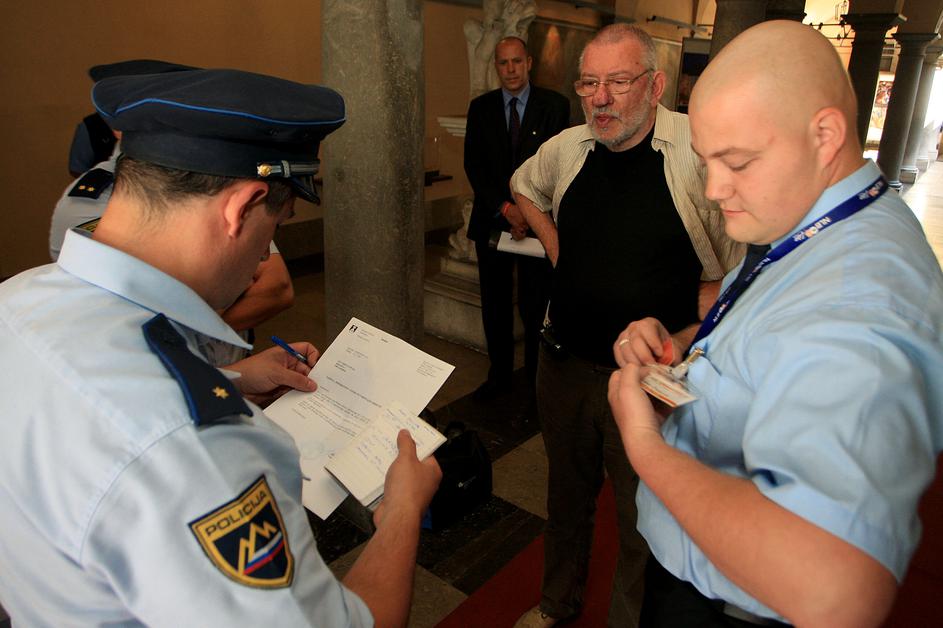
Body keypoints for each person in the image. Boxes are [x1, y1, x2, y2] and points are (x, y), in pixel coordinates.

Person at [0, 68, 441, 626]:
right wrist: (401, 511)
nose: (263, 259)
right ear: (241, 208)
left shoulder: (17, 301)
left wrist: (233, 379)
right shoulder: (205, 452)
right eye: (275, 227)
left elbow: (89, 401)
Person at [608, 20, 943, 627]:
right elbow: (773, 325)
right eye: (706, 161)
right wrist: (682, 346)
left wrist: (644, 444)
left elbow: (833, 589)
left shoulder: (861, 297)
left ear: (824, 135)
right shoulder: (814, 217)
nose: (715, 189)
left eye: (736, 162)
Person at [509, 24, 743, 628]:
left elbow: (746, 254)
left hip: (651, 381)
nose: (600, 99)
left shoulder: (695, 152)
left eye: (618, 82)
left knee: (644, 521)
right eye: (589, 83)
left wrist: (714, 297)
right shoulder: (568, 148)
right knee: (566, 500)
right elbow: (522, 186)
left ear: (656, 86)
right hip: (563, 363)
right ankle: (556, 604)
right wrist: (559, 250)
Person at [51, 60, 294, 366]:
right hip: (182, 363)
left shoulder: (211, 185)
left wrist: (237, 378)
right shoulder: (90, 201)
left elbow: (275, 286)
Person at [463, 36, 570, 401]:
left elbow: (557, 166)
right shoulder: (480, 108)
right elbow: (474, 165)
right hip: (494, 221)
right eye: (503, 62)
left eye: (516, 61)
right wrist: (507, 209)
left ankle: (535, 383)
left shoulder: (555, 106)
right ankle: (499, 377)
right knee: (494, 305)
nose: (510, 69)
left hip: (538, 224)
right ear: (496, 66)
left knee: (534, 305)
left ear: (529, 63)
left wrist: (527, 210)